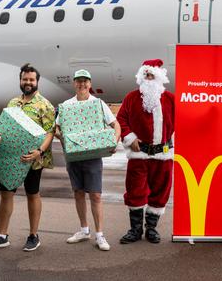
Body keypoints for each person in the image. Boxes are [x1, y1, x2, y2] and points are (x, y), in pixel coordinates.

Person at [0, 64, 55, 253]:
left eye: (31, 79)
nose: (28, 82)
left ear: (37, 81)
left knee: (33, 194)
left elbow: (50, 132)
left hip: (33, 158)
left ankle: (33, 235)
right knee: (6, 194)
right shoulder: (12, 103)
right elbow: (5, 127)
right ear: (20, 80)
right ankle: (2, 236)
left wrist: (39, 151)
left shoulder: (44, 105)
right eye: (25, 79)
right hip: (10, 158)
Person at [55, 69, 121, 251]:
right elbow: (57, 128)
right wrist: (63, 138)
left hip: (92, 156)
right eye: (78, 81)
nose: (82, 84)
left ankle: (100, 234)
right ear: (74, 84)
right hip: (74, 156)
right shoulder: (67, 105)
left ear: (90, 84)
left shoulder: (98, 104)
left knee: (96, 195)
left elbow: (116, 125)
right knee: (78, 192)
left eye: (85, 81)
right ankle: (84, 230)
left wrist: (113, 141)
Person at [116, 59, 175, 244]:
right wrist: (130, 137)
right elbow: (121, 119)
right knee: (135, 191)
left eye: (151, 75)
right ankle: (135, 230)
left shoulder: (170, 99)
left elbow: (188, 118)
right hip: (139, 156)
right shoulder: (131, 98)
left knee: (160, 191)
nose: (148, 79)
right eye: (145, 75)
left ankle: (151, 228)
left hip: (163, 156)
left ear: (159, 78)